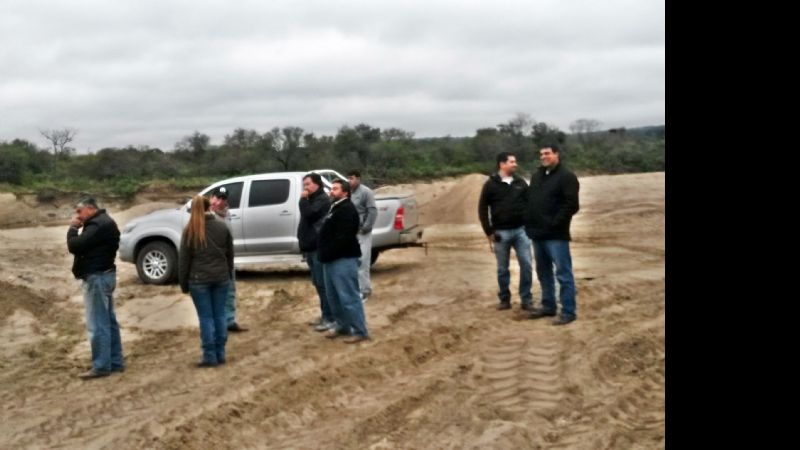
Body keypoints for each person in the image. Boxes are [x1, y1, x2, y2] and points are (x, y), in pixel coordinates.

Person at [67, 196, 125, 379]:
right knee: (108, 321)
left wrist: (72, 229)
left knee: (98, 324)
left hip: (97, 277)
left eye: (79, 211)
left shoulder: (97, 225)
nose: (78, 215)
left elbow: (74, 246)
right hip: (105, 275)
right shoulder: (104, 222)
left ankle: (101, 366)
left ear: (90, 209)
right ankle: (115, 361)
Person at [525, 145, 580, 326]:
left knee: (563, 274)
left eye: (547, 153)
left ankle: (568, 311)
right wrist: (530, 224)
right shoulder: (537, 176)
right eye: (541, 154)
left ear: (557, 154)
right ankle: (548, 306)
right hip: (537, 235)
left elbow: (572, 205)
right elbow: (532, 202)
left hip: (556, 235)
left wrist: (555, 223)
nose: (543, 157)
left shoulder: (567, 177)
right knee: (543, 272)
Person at [179, 195, 234, 366]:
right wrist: (228, 274)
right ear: (209, 207)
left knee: (206, 317)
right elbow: (229, 255)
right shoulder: (221, 227)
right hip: (221, 277)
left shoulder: (190, 230)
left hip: (199, 280)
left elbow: (184, 261)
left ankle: (209, 355)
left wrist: (183, 284)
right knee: (220, 315)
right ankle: (220, 352)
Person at [478, 152, 534, 311]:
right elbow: (482, 208)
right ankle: (504, 299)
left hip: (521, 231)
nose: (515, 164)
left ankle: (526, 299)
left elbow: (530, 203)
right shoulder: (490, 185)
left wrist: (530, 225)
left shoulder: (520, 182)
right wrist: (488, 231)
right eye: (512, 162)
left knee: (527, 264)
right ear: (502, 164)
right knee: (503, 268)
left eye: (515, 162)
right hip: (500, 233)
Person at [318, 179, 370, 344]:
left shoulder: (347, 209)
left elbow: (344, 237)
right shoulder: (335, 207)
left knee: (348, 296)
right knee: (333, 296)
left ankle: (360, 331)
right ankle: (343, 326)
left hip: (343, 259)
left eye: (335, 189)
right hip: (330, 259)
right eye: (331, 188)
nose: (331, 191)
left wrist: (328, 252)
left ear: (345, 192)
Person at [297, 173, 334, 332]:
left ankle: (329, 318)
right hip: (310, 247)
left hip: (318, 247)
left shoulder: (322, 200)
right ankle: (325, 315)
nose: (305, 188)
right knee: (318, 284)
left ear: (317, 184)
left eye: (308, 184)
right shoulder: (312, 199)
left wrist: (302, 200)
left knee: (323, 284)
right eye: (304, 185)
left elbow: (310, 215)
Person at [209, 187, 248, 332]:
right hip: (215, 261)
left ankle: (230, 320)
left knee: (230, 290)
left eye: (223, 199)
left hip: (227, 259)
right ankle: (217, 324)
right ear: (211, 198)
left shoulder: (227, 214)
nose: (220, 202)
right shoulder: (207, 215)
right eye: (217, 198)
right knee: (216, 293)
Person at [346, 170, 377, 302]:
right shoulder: (348, 192)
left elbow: (372, 211)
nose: (349, 181)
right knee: (352, 262)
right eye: (348, 178)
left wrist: (366, 228)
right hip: (351, 233)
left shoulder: (366, 192)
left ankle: (365, 291)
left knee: (362, 261)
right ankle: (356, 289)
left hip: (362, 232)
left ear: (358, 179)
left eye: (352, 178)